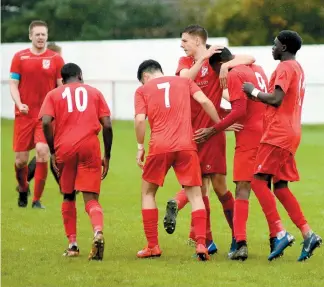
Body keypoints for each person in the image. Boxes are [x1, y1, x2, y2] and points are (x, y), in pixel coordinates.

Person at [163, 24, 254, 256]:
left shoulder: (216, 57)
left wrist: (228, 66)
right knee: (201, 187)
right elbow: (184, 80)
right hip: (191, 133)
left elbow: (249, 57)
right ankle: (214, 240)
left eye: (184, 41)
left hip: (211, 133)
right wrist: (203, 57)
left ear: (196, 40)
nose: (181, 45)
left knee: (214, 186)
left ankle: (234, 238)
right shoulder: (187, 63)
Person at [242, 30, 322, 261]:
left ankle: (280, 232)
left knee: (257, 182)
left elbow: (276, 99)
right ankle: (308, 234)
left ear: (284, 47)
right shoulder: (298, 68)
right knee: (281, 186)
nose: (272, 47)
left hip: (278, 134)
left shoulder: (285, 68)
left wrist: (254, 92)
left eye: (275, 44)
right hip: (291, 132)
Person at [135, 59, 221, 261]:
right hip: (186, 144)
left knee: (148, 193)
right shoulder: (183, 81)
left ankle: (153, 246)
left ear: (145, 77)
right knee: (196, 195)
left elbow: (140, 120)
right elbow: (206, 102)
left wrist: (140, 145)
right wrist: (219, 125)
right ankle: (201, 245)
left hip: (159, 146)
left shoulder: (143, 90)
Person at [194, 47, 270, 260]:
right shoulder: (257, 69)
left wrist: (212, 129)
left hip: (248, 136)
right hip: (266, 131)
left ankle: (241, 242)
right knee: (265, 185)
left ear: (219, 67)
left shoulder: (234, 73)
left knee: (242, 188)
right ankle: (276, 236)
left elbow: (239, 111)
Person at [39, 63, 113, 260]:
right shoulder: (94, 92)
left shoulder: (54, 94)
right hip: (90, 147)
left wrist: (53, 150)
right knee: (91, 200)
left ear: (62, 80)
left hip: (65, 148)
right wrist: (107, 155)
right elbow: (107, 124)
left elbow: (46, 121)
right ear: (80, 76)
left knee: (68, 196)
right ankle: (97, 232)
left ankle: (72, 245)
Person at [9, 20, 64, 209]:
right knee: (21, 160)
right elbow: (13, 84)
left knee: (42, 152)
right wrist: (19, 103)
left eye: (43, 34)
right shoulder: (19, 57)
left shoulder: (56, 59)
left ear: (47, 37)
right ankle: (23, 189)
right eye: (37, 34)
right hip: (24, 115)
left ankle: (36, 201)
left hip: (45, 116)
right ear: (30, 36)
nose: (40, 37)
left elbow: (61, 87)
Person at [26, 42, 63, 186]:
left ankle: (62, 184)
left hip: (49, 116)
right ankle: (62, 184)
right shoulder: (49, 74)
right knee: (47, 150)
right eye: (59, 56)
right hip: (48, 117)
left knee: (48, 151)